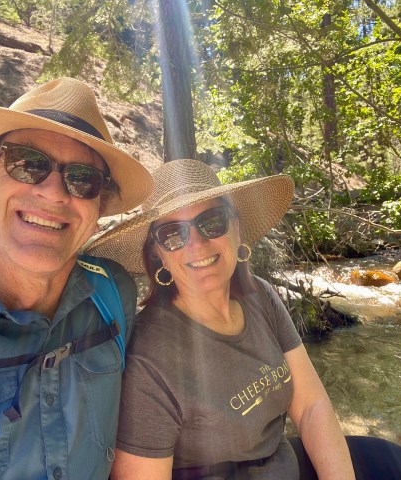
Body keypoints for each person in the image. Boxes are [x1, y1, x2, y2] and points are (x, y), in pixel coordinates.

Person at [0, 77, 154, 479]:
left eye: (83, 179)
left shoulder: (112, 296)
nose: (55, 193)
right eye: (27, 163)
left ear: (98, 211)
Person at [87, 159, 356, 479]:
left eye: (212, 222)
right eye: (173, 234)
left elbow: (311, 407)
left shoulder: (262, 297)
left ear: (237, 229)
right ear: (159, 253)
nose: (196, 244)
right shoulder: (149, 360)